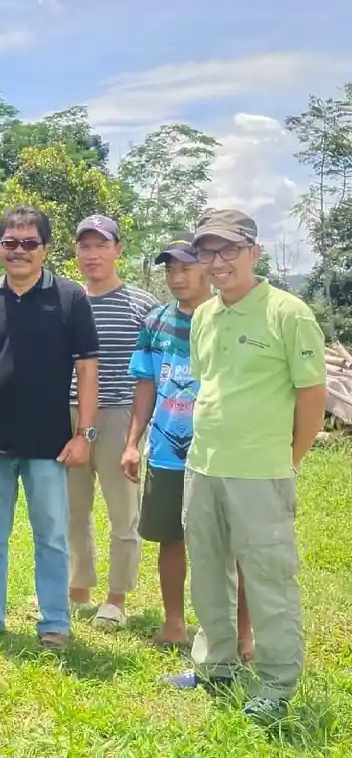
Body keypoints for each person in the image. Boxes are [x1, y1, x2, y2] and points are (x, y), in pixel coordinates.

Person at [164, 210, 326, 724]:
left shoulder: (288, 312)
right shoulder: (205, 316)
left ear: (254, 252)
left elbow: (312, 395)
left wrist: (288, 460)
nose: (217, 262)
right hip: (203, 466)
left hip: (261, 473)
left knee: (268, 580)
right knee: (208, 573)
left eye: (229, 250)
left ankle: (277, 683)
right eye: (207, 252)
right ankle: (217, 667)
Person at [0, 205, 100, 651]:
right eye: (10, 243)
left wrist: (83, 433)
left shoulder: (70, 298)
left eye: (30, 243)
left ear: (45, 249)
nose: (19, 251)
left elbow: (88, 369)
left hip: (50, 443)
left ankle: (54, 624)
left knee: (51, 536)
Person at [121, 234, 253, 653]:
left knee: (236, 546)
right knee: (169, 538)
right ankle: (174, 623)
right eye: (170, 269)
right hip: (166, 451)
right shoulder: (156, 322)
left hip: (223, 451)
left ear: (207, 270)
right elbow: (145, 385)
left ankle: (243, 633)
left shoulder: (231, 319)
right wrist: (132, 441)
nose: (177, 277)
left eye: (185, 267)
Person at [66, 215, 158, 629]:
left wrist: (138, 433)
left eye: (101, 245)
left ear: (118, 250)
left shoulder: (143, 305)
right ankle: (78, 589)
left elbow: (151, 372)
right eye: (85, 246)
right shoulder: (65, 300)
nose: (92, 254)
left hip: (120, 414)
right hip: (67, 412)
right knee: (72, 507)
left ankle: (116, 599)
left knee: (124, 511)